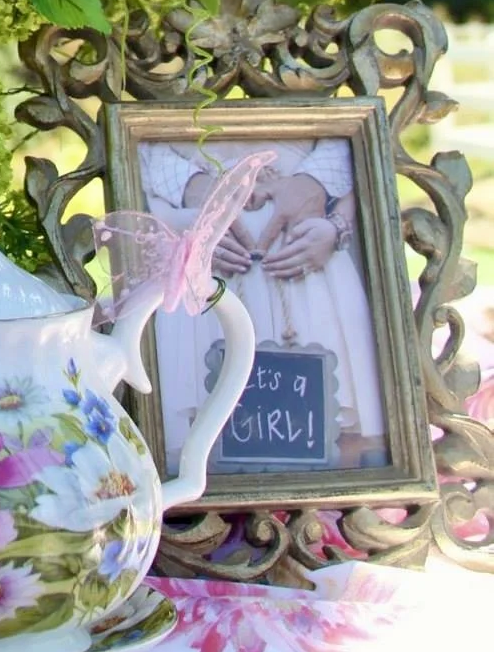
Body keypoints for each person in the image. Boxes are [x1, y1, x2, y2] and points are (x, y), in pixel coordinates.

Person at [138, 139, 387, 471]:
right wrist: (188, 185)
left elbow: (353, 131)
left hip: (307, 259)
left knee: (331, 427)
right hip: (202, 263)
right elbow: (137, 140)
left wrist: (318, 186)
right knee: (203, 429)